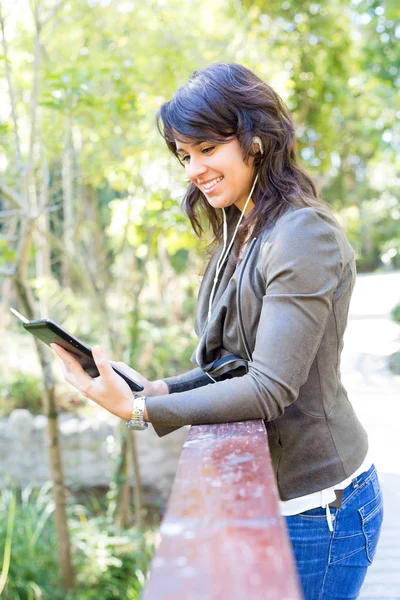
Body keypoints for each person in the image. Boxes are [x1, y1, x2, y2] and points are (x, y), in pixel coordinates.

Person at [52, 63, 383, 600]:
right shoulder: (245, 225)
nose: (194, 169)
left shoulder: (302, 234)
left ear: (255, 138)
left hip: (319, 510)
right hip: (277, 504)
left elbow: (269, 386)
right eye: (185, 155)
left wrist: (139, 412)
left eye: (207, 148)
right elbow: (228, 363)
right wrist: (156, 390)